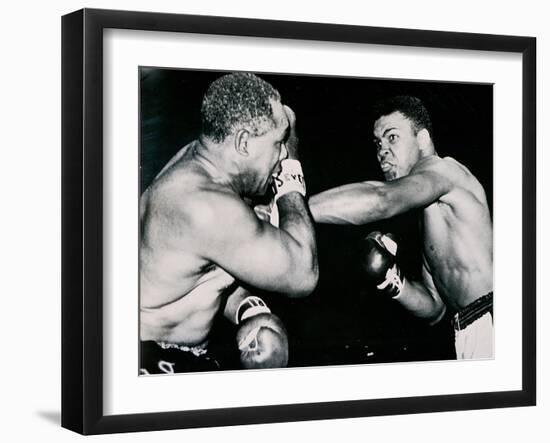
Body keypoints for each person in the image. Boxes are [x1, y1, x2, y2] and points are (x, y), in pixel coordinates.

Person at [139, 72, 319, 373]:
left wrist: (249, 309)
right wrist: (290, 174)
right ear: (244, 142)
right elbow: (303, 273)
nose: (283, 151)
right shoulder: (205, 205)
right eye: (278, 142)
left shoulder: (198, 166)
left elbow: (196, 276)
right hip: (152, 358)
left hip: (160, 348)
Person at [309, 95, 493, 360]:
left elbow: (381, 199)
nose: (382, 150)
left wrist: (293, 210)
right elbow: (435, 307)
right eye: (378, 143)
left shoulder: (443, 171)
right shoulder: (429, 211)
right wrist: (392, 280)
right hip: (467, 328)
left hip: (495, 317)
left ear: (422, 139)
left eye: (392, 137)